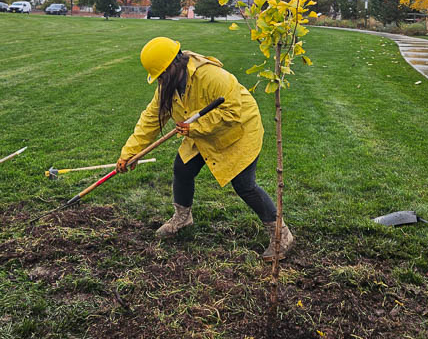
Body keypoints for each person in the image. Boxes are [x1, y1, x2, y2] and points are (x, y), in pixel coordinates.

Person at [116, 36, 294, 260]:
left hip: (238, 130)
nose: (160, 81)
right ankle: (182, 218)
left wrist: (195, 127)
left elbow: (232, 113)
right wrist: (129, 153)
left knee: (244, 185)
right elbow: (151, 119)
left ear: (173, 65)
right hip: (199, 131)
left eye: (161, 75)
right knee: (183, 169)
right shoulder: (169, 86)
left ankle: (281, 235)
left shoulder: (211, 76)